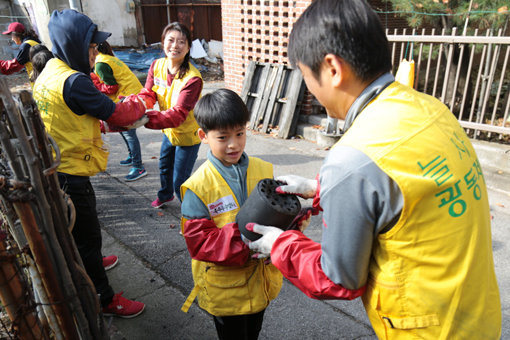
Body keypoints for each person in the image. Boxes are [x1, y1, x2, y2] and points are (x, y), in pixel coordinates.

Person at [247, 0, 502, 339]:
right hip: (477, 317)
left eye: (306, 76)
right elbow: (405, 190)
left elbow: (337, 279)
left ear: (332, 69)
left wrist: (280, 246)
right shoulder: (430, 109)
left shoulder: (352, 158)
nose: (309, 88)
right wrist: (317, 188)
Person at [32, 9, 146, 318]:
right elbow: (118, 113)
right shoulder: (75, 81)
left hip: (58, 166)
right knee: (88, 233)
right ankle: (104, 298)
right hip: (71, 172)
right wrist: (143, 101)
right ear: (72, 43)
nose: (95, 52)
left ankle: (89, 261)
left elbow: (78, 114)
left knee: (80, 231)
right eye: (91, 46)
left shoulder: (49, 72)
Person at [179, 89, 283, 340]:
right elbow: (201, 243)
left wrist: (284, 233)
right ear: (203, 136)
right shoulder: (198, 186)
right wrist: (250, 235)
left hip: (261, 282)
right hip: (226, 289)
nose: (233, 144)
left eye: (240, 133)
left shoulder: (263, 168)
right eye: (223, 137)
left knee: (254, 331)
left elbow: (279, 214)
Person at [138, 22, 203, 208]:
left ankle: (193, 214)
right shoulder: (157, 65)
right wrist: (135, 106)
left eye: (182, 42)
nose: (175, 46)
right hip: (168, 131)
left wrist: (144, 119)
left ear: (189, 47)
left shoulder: (192, 78)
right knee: (164, 168)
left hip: (187, 135)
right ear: (163, 42)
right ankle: (165, 195)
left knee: (180, 181)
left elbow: (178, 114)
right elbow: (148, 94)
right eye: (171, 40)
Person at [91, 41, 147, 181]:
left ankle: (138, 167)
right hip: (130, 94)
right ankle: (132, 156)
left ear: (94, 49)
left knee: (128, 132)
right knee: (122, 129)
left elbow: (112, 88)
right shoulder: (108, 58)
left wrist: (96, 87)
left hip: (128, 98)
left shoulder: (100, 63)